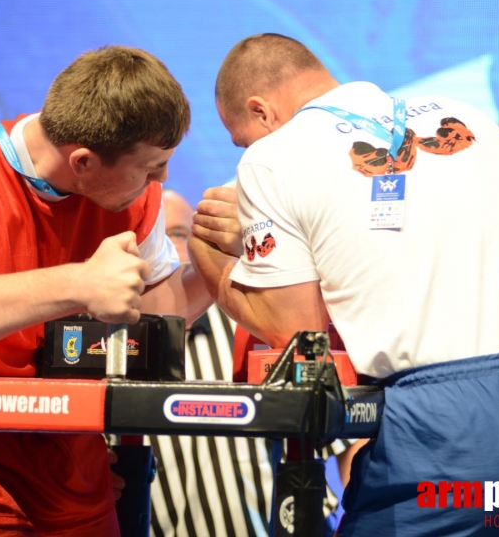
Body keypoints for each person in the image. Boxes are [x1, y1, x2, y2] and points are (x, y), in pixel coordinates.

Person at [188, 33, 499, 535]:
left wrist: (211, 257)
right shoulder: (468, 116)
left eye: (244, 139)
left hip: (447, 428)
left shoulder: (272, 157)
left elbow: (297, 331)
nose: (248, 151)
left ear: (262, 113)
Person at [0, 45, 212, 537]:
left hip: (72, 452)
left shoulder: (137, 196)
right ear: (84, 162)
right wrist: (78, 282)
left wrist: (215, 270)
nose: (162, 179)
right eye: (152, 166)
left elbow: (150, 319)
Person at [150, 188, 350, 537]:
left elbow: (344, 438)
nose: (170, 251)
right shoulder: (117, 347)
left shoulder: (256, 326)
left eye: (180, 235)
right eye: (156, 240)